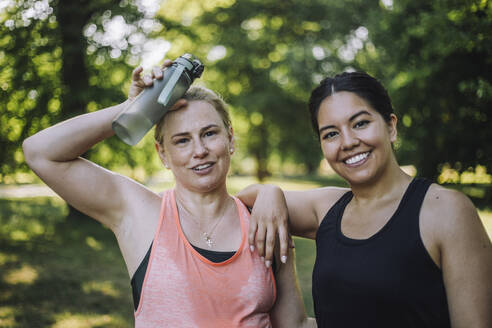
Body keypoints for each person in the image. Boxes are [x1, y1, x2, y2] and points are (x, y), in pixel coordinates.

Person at [23, 59, 316, 327]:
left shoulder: (264, 221)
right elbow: (40, 153)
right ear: (162, 154)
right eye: (182, 141)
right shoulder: (140, 213)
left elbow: (294, 325)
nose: (199, 151)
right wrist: (131, 108)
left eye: (210, 133)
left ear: (230, 140)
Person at [238, 71, 492, 327]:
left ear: (391, 126)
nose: (347, 142)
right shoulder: (326, 209)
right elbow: (239, 203)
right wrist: (271, 192)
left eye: (360, 123)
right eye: (331, 134)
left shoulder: (447, 210)